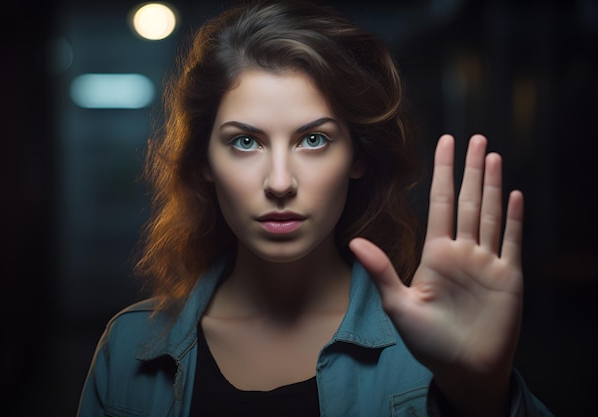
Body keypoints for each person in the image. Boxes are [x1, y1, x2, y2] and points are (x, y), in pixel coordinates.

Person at [77, 0, 553, 416]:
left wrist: (484, 396)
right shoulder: (129, 352)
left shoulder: (429, 351)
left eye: (313, 139)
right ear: (204, 161)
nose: (280, 183)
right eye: (245, 141)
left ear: (358, 158)